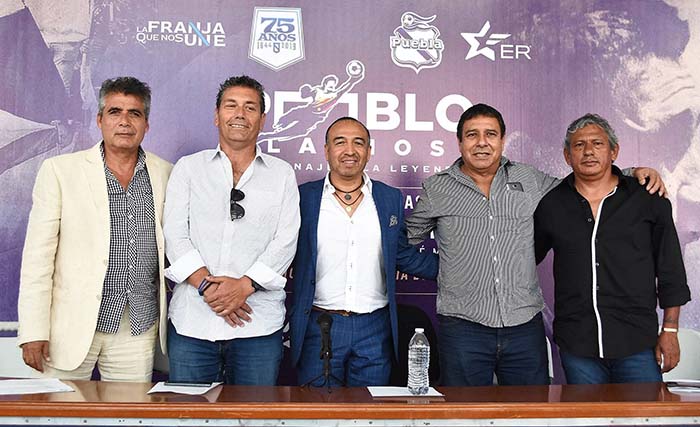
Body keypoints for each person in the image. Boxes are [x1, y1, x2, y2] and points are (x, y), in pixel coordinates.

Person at [405, 103, 665, 386]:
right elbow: (405, 244)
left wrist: (631, 172)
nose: (481, 142)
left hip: (524, 327)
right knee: (466, 408)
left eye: (490, 134)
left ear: (502, 140)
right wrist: (445, 270)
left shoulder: (529, 179)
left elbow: (581, 185)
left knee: (531, 407)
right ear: (459, 143)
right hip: (463, 327)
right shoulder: (437, 188)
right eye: (472, 135)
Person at [17, 76, 172, 381]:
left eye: (134, 113)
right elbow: (37, 258)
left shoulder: (166, 173)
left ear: (146, 124)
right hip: (68, 327)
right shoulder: (61, 171)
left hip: (137, 326)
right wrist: (33, 331)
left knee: (129, 410)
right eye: (115, 112)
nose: (124, 121)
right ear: (99, 120)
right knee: (58, 409)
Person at [163, 75, 300, 385]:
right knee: (190, 412)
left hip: (257, 324)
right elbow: (174, 234)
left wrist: (244, 287)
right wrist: (208, 288)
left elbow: (286, 240)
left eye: (250, 107)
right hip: (193, 322)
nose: (240, 114)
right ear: (216, 115)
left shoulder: (281, 174)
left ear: (262, 120)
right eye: (231, 106)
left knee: (253, 411)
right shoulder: (189, 167)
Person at [534, 113, 690, 384]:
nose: (588, 151)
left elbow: (671, 269)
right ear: (567, 156)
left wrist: (670, 329)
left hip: (637, 342)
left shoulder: (648, 199)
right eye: (579, 145)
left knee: (646, 412)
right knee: (585, 413)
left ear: (614, 151)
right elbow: (524, 258)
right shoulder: (551, 204)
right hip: (577, 345)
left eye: (597, 143)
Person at [290, 117, 438, 386]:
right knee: (316, 407)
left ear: (369, 152)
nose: (350, 150)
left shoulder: (389, 197)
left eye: (358, 143)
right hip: (320, 325)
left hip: (375, 328)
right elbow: (281, 250)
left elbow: (401, 254)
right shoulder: (302, 197)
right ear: (326, 151)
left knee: (370, 408)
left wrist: (457, 269)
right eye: (340, 142)